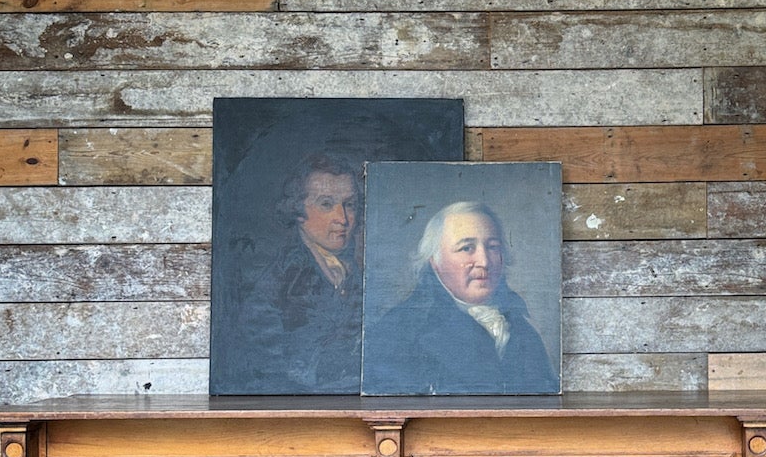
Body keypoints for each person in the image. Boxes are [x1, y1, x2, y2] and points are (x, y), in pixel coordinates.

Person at [366, 200, 557, 395]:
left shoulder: (523, 332)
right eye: (467, 248)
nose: (484, 261)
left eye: (492, 247)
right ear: (434, 261)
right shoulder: (397, 333)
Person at [235, 152, 363, 392]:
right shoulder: (278, 281)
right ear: (297, 210)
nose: (342, 218)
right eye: (326, 204)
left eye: (349, 204)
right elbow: (267, 367)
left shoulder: (356, 273)